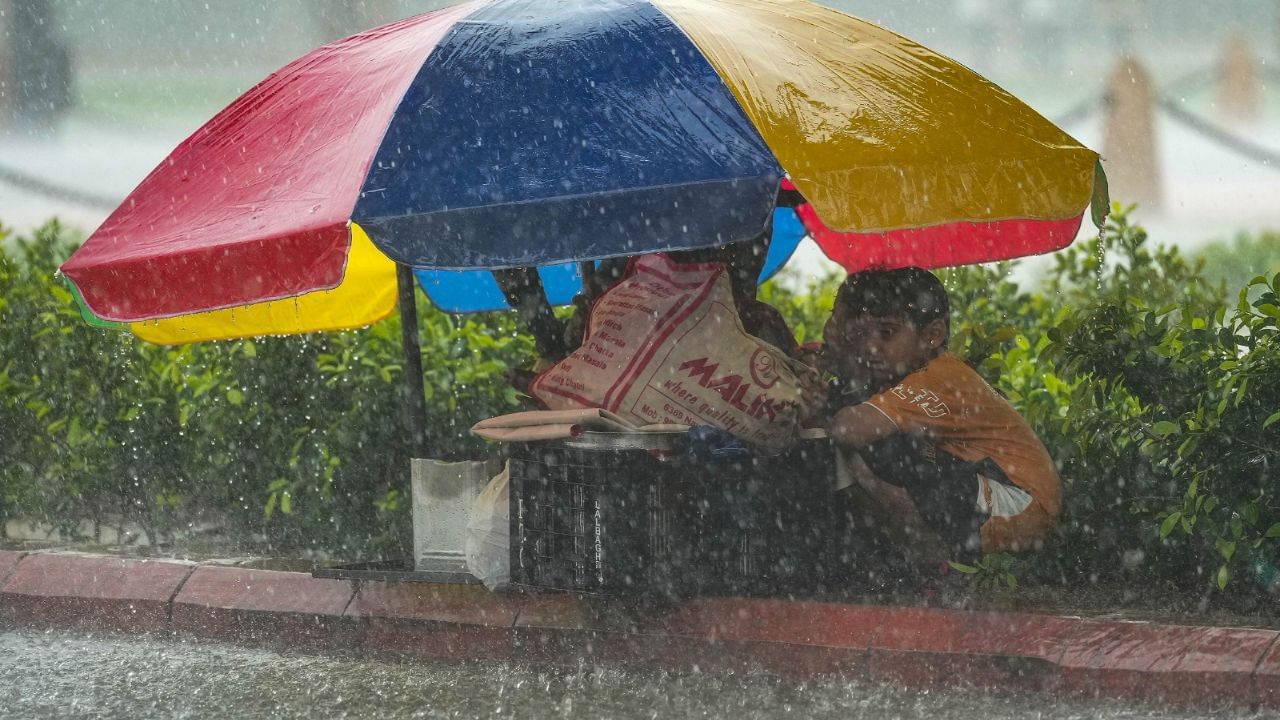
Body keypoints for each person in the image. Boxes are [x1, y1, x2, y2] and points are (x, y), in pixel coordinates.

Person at [808, 267, 1061, 565]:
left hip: (1024, 505)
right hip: (997, 494)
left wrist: (838, 439)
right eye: (865, 334)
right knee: (880, 447)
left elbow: (848, 429)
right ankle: (922, 556)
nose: (871, 347)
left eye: (887, 333)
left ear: (932, 336)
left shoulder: (939, 378)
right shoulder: (908, 373)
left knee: (879, 446)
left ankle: (932, 559)